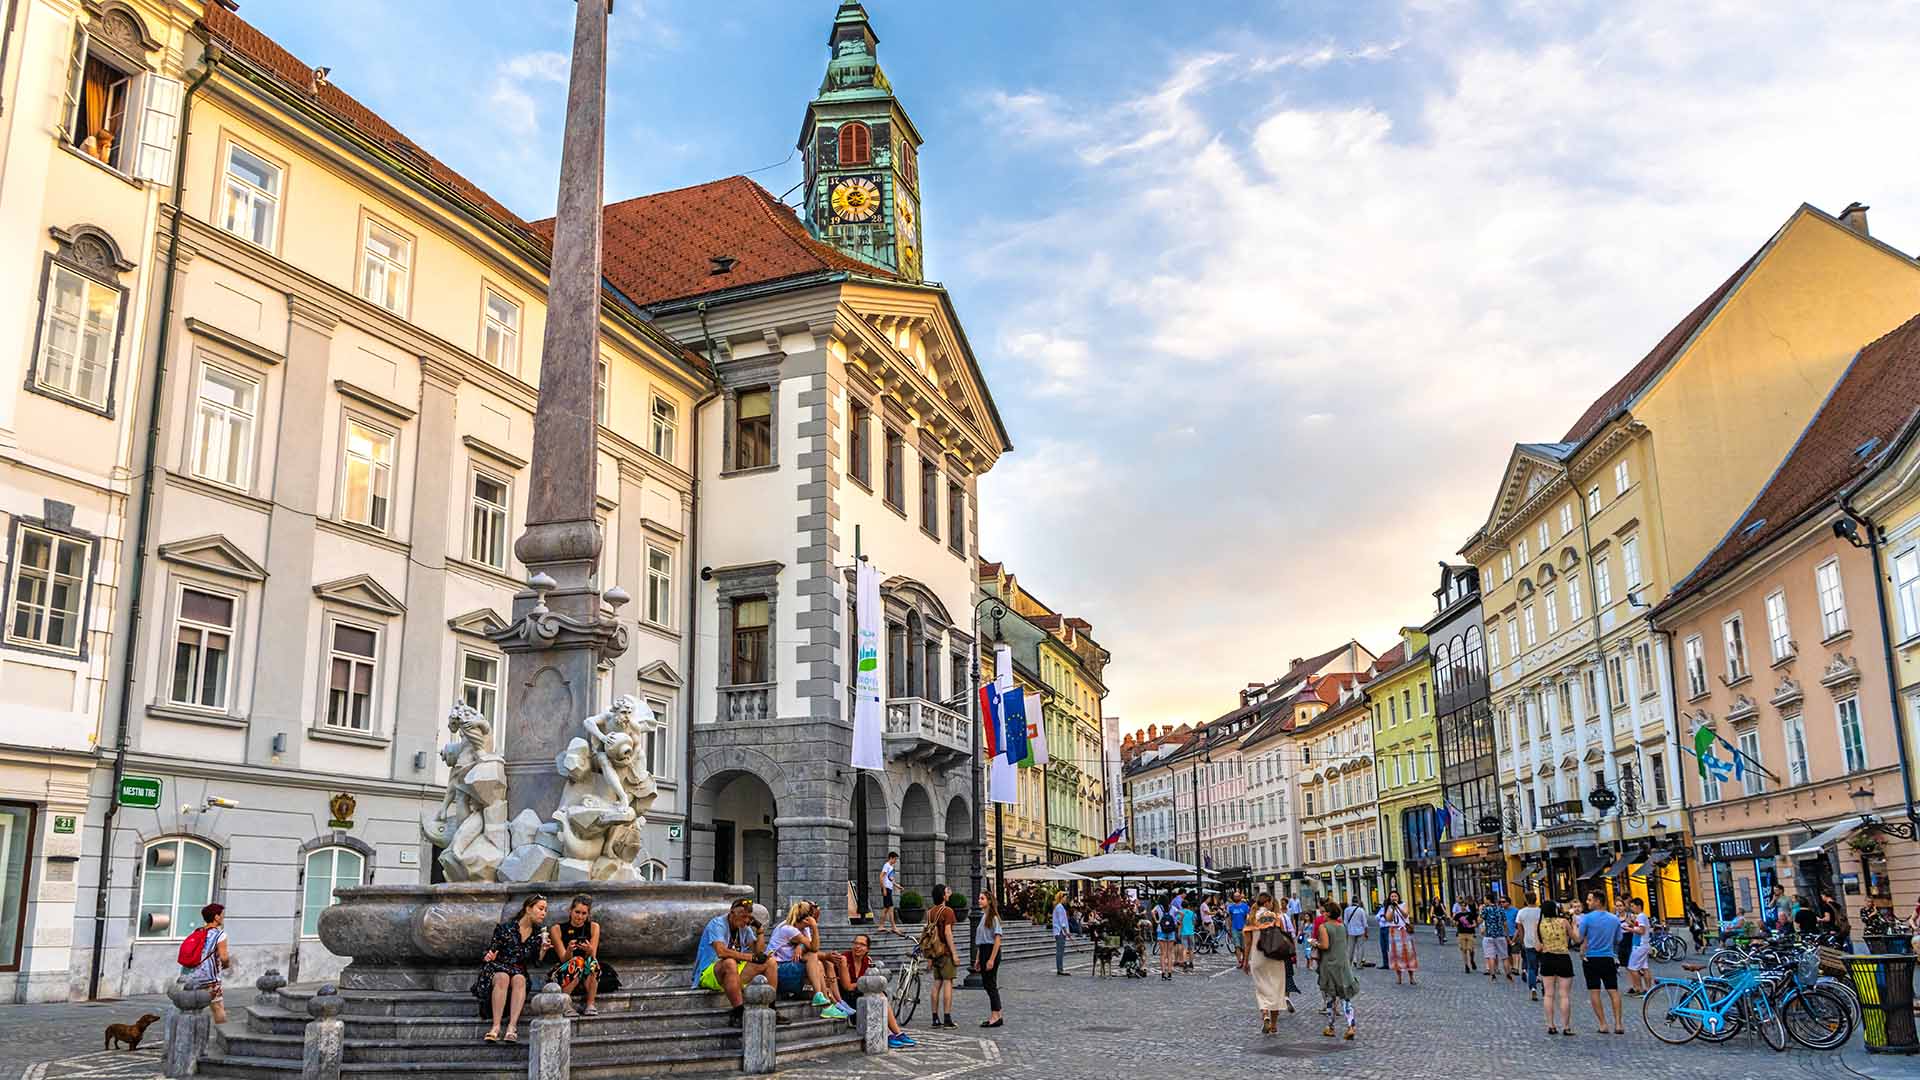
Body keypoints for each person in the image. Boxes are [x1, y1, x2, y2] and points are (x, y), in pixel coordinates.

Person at [475, 894, 551, 1042]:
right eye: (541, 909)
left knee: (519, 979)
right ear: (528, 909)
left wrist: (543, 951)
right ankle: (496, 1027)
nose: (544, 913)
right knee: (503, 977)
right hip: (499, 967)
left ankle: (512, 1027)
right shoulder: (506, 928)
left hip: (518, 970)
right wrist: (488, 955)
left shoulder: (538, 935)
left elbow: (537, 963)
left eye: (545, 910)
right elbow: (491, 951)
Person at [693, 897, 778, 1028]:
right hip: (711, 973)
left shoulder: (744, 927)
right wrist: (751, 958)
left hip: (735, 973)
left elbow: (759, 952)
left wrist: (760, 930)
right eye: (743, 916)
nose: (745, 921)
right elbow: (721, 952)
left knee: (770, 962)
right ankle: (739, 1013)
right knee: (729, 963)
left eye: (748, 917)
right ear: (732, 913)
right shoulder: (717, 924)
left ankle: (772, 1009)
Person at [770, 901, 852, 1019]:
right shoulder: (787, 928)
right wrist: (814, 928)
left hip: (789, 964)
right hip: (777, 969)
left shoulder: (803, 928)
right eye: (815, 917)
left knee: (820, 963)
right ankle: (827, 1000)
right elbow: (814, 948)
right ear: (806, 918)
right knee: (815, 958)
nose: (816, 920)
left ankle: (829, 1004)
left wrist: (800, 945)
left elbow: (809, 947)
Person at [833, 934, 917, 1048]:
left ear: (867, 949)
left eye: (862, 944)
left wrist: (867, 983)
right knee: (877, 994)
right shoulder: (844, 959)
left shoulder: (867, 961)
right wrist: (867, 983)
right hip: (846, 999)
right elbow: (847, 986)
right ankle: (889, 1034)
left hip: (860, 994)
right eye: (856, 943)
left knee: (880, 995)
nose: (858, 946)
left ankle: (896, 1033)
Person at [547, 894, 620, 1016]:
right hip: (564, 970)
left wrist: (589, 949)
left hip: (585, 969)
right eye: (577, 912)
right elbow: (563, 959)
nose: (580, 917)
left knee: (591, 962)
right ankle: (565, 1004)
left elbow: (593, 956)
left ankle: (590, 1004)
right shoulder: (557, 929)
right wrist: (570, 950)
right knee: (577, 961)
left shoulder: (593, 927)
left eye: (584, 913)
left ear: (588, 914)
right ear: (570, 911)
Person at [1239, 893, 1295, 1034]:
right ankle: (1274, 1025)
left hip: (1258, 957)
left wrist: (1245, 961)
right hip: (1275, 955)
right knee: (1276, 989)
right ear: (1269, 902)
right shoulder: (1276, 917)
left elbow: (1247, 943)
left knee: (1261, 989)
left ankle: (1265, 1017)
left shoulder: (1251, 918)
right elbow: (1282, 937)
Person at [1572, 890, 1624, 1035]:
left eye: (1590, 900)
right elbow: (1619, 939)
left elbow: (1578, 939)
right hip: (1608, 957)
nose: (1587, 903)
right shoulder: (1614, 919)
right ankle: (1619, 1024)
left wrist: (1574, 926)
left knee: (1594, 991)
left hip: (1591, 958)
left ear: (1598, 901)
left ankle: (1603, 1024)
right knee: (1613, 991)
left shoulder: (1586, 919)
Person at [1314, 898, 1360, 1040]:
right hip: (1343, 963)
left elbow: (1325, 945)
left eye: (1324, 912)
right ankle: (1351, 1025)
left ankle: (1330, 1026)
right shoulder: (1342, 926)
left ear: (1328, 914)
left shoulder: (1324, 927)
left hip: (1329, 964)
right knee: (1345, 997)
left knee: (1330, 997)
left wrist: (1316, 943)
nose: (1323, 914)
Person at [184, 903, 233, 1025]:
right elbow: (224, 957)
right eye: (222, 915)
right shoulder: (220, 935)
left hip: (191, 976)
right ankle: (223, 1034)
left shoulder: (198, 931)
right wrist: (226, 965)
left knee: (190, 1008)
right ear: (216, 917)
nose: (223, 917)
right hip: (209, 979)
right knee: (217, 1008)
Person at [1536, 899, 1576, 1035]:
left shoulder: (1539, 924)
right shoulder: (1564, 922)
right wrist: (1574, 925)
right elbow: (1576, 939)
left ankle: (1551, 1025)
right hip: (1563, 957)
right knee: (1564, 995)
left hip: (1547, 958)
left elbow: (1538, 947)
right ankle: (1566, 1026)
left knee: (1548, 994)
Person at [922, 884, 960, 1027]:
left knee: (936, 984)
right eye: (946, 892)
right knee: (948, 982)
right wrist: (954, 953)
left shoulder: (930, 912)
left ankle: (935, 1018)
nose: (949, 893)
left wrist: (930, 958)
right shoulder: (948, 911)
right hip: (945, 952)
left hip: (935, 953)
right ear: (943, 896)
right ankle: (947, 1018)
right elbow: (948, 933)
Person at [971, 891, 1005, 1027]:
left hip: (991, 951)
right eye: (979, 898)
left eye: (982, 898)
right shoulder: (983, 917)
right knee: (988, 984)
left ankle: (995, 1016)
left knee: (990, 984)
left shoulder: (993, 918)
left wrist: (991, 959)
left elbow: (997, 940)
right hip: (984, 951)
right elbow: (981, 942)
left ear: (989, 901)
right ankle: (998, 1014)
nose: (979, 900)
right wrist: (978, 959)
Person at [1382, 891, 1417, 985]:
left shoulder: (1404, 904)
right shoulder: (1389, 907)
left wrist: (1397, 907)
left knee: (1409, 953)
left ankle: (1411, 977)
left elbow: (1405, 914)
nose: (1394, 898)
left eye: (1395, 896)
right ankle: (1399, 977)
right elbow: (1389, 919)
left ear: (1398, 897)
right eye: (1392, 896)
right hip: (1394, 932)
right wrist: (1393, 909)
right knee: (1396, 955)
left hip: (1404, 931)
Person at [1514, 893, 1542, 1001]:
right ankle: (1544, 986)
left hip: (1528, 941)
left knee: (1531, 966)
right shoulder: (1540, 911)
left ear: (1525, 900)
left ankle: (1533, 988)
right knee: (1541, 964)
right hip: (1540, 941)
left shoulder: (1521, 912)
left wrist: (1522, 941)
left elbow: (1520, 929)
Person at [1624, 898, 1652, 996]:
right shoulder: (1642, 916)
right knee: (1644, 967)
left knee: (1632, 967)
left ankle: (1639, 989)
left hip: (1639, 945)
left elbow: (1641, 931)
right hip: (1644, 944)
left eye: (1632, 906)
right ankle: (1648, 989)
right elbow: (1640, 928)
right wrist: (1631, 924)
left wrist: (1629, 928)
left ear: (1638, 906)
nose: (1631, 908)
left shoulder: (1640, 916)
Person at [1480, 895, 1509, 982]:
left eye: (1485, 899)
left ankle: (1493, 975)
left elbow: (1479, 920)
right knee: (1504, 956)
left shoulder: (1486, 909)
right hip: (1500, 935)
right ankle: (1508, 974)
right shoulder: (1500, 909)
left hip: (1489, 935)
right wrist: (1506, 934)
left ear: (1489, 900)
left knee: (1490, 956)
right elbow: (1505, 923)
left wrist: (1480, 912)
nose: (1484, 901)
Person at [1341, 896, 1370, 969]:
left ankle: (1348, 964)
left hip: (1350, 932)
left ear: (1352, 901)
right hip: (1360, 931)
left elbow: (1345, 922)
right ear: (1358, 901)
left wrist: (1346, 931)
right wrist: (1366, 933)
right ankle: (1359, 964)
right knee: (1360, 948)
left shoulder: (1347, 910)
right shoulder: (1361, 910)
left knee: (1350, 948)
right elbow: (1365, 923)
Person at [878, 851, 902, 935]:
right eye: (895, 859)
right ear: (891, 858)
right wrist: (884, 888)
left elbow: (890, 879)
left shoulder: (890, 867)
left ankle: (890, 926)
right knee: (887, 908)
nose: (895, 861)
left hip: (889, 889)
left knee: (888, 908)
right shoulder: (886, 865)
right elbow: (881, 877)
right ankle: (886, 926)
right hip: (886, 889)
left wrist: (897, 886)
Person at [1155, 895, 1178, 979]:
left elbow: (1152, 912)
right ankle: (1170, 973)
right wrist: (1176, 921)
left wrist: (1156, 920)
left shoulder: (1158, 907)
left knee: (1162, 953)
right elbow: (1180, 913)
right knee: (1170, 953)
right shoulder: (1172, 907)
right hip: (1171, 931)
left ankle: (1163, 973)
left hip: (1161, 930)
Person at [1453, 899, 1478, 972]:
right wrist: (1455, 923)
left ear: (1466, 906)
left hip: (1470, 933)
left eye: (1464, 905)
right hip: (1461, 933)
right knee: (1463, 950)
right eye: (1461, 905)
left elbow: (1475, 923)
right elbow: (1454, 923)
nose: (1463, 907)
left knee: (1471, 949)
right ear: (1460, 906)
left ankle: (1472, 960)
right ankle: (1466, 965)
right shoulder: (1458, 915)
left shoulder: (1470, 914)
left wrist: (1472, 925)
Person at [1051, 891, 1072, 976]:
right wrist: (1066, 932)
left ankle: (1060, 968)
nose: (1066, 899)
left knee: (1060, 951)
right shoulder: (1059, 907)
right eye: (1065, 898)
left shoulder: (1060, 907)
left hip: (1060, 931)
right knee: (1060, 951)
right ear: (1061, 898)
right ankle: (1060, 969)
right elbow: (1061, 921)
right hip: (1060, 932)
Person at [1227, 891, 1252, 960]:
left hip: (1244, 929)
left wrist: (1248, 926)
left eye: (1238, 896)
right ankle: (1239, 961)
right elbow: (1230, 918)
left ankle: (1244, 959)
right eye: (1235, 896)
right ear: (1233, 898)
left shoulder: (1245, 906)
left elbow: (1248, 917)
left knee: (1244, 947)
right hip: (1234, 928)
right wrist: (1229, 928)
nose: (1237, 897)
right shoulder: (1231, 907)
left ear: (1240, 897)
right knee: (1237, 946)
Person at [1503, 895, 1522, 979]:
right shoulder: (1501, 911)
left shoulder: (1515, 911)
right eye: (1500, 902)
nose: (1501, 904)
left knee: (1515, 951)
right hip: (1505, 934)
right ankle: (1511, 967)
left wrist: (1516, 933)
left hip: (1514, 933)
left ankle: (1516, 968)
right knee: (1508, 953)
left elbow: (1518, 923)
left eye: (1503, 902)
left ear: (1508, 902)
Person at [1179, 893, 1199, 970]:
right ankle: (1191, 963)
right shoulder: (1191, 913)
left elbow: (1179, 923)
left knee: (1184, 949)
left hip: (1183, 932)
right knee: (1191, 949)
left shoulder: (1180, 912)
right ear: (1188, 906)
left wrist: (1179, 932)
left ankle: (1184, 963)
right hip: (1191, 932)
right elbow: (1194, 922)